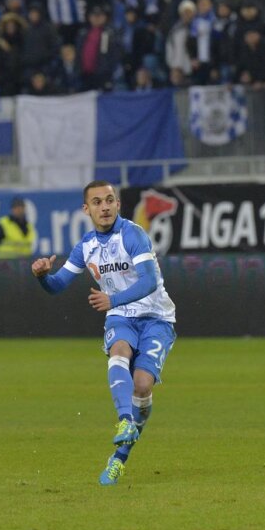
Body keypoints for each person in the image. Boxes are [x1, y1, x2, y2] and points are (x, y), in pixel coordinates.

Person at [31, 182, 177, 486]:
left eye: (110, 200)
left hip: (156, 318)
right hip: (121, 316)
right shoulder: (86, 246)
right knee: (119, 351)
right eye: (97, 202)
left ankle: (119, 458)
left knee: (142, 386)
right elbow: (57, 285)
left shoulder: (133, 235)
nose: (105, 207)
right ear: (87, 209)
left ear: (118, 204)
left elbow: (149, 281)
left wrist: (112, 299)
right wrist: (43, 276)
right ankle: (124, 421)